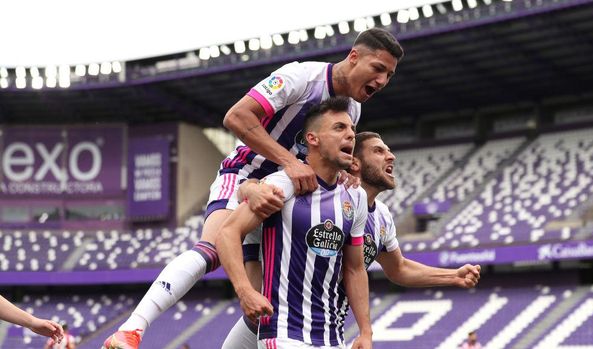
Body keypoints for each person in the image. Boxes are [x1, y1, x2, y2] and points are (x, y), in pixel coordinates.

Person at [103, 28, 403, 349]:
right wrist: (288, 161)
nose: (383, 81)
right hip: (246, 175)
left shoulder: (352, 109)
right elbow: (237, 116)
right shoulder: (300, 77)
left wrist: (347, 173)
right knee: (213, 250)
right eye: (378, 68)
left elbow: (329, 160)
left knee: (264, 307)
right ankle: (132, 328)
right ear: (354, 57)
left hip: (283, 197)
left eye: (389, 75)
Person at [221, 131, 482, 349]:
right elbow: (259, 196)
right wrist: (250, 187)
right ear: (354, 163)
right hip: (274, 321)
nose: (390, 156)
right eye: (379, 151)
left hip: (324, 332)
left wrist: (452, 276)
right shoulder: (315, 191)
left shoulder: (382, 217)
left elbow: (398, 268)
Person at [217, 97, 371, 349]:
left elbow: (355, 269)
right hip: (284, 333)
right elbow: (228, 232)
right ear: (312, 139)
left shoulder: (355, 195)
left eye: (352, 129)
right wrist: (245, 291)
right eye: (339, 128)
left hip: (332, 338)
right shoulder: (283, 184)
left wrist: (366, 331)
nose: (351, 135)